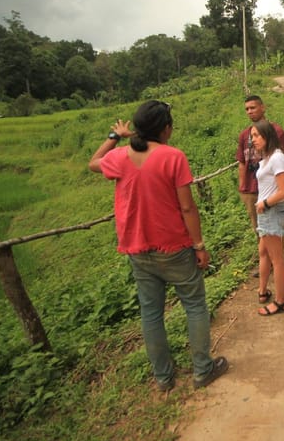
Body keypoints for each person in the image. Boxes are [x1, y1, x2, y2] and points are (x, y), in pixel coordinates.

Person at [88, 100, 228, 391]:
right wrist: (199, 245)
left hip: (138, 249)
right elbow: (188, 208)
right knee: (194, 306)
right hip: (174, 247)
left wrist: (115, 136)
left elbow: (93, 162)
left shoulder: (120, 158)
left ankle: (164, 378)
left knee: (151, 313)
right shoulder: (173, 157)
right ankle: (203, 370)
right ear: (165, 129)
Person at [236, 94, 284, 281]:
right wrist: (242, 185)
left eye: (253, 107)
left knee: (275, 228)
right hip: (252, 188)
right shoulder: (244, 135)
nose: (250, 111)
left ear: (263, 107)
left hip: (271, 189)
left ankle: (280, 265)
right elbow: (242, 162)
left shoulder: (276, 131)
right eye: (247, 109)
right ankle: (266, 265)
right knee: (259, 229)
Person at [251, 119, 284, 316]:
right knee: (263, 253)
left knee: (277, 259)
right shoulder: (269, 158)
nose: (254, 140)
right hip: (266, 213)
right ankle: (263, 289)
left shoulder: (277, 158)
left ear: (267, 136)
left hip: (271, 212)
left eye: (257, 136)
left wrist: (265, 203)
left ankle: (280, 301)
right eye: (252, 136)